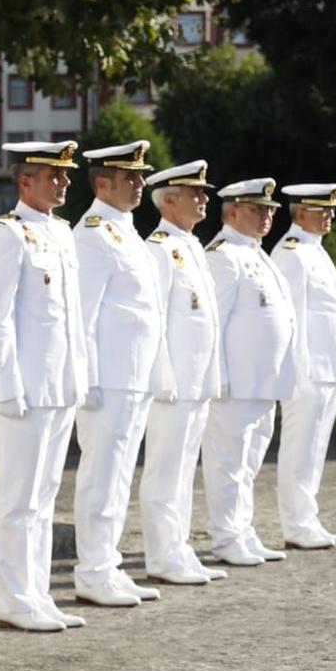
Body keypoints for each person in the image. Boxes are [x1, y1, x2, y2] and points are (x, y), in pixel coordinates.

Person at [0, 141, 89, 633]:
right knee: (17, 498)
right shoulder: (7, 235)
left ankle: (38, 594)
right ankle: (15, 599)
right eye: (52, 175)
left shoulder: (61, 233)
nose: (63, 182)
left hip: (58, 385)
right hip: (22, 389)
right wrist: (7, 386)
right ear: (25, 182)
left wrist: (77, 377)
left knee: (44, 497)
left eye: (64, 175)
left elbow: (70, 320)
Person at [71, 140, 169, 609]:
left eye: (140, 176)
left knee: (119, 478)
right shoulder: (92, 234)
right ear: (101, 183)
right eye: (130, 177)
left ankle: (107, 566)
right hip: (106, 379)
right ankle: (91, 571)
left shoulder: (126, 231)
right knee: (101, 477)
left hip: (131, 376)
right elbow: (83, 314)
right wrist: (86, 379)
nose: (140, 183)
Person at [202, 178, 300, 568]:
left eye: (270, 211)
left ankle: (242, 531)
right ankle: (226, 538)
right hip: (236, 383)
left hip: (262, 380)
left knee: (250, 461)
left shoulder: (257, 254)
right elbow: (216, 322)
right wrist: (219, 377)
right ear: (231, 212)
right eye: (257, 210)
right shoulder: (223, 255)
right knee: (228, 462)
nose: (267, 217)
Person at [137, 161, 227, 586]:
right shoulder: (158, 248)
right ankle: (161, 555)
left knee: (184, 469)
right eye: (196, 193)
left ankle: (180, 547)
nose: (204, 199)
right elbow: (153, 319)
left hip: (196, 381)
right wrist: (163, 376)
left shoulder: (191, 245)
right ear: (169, 199)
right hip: (173, 383)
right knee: (164, 470)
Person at [273, 183, 336, 549]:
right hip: (306, 369)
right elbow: (288, 317)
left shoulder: (315, 250)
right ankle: (296, 524)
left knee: (315, 446)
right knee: (300, 446)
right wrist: (295, 371)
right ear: (299, 212)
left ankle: (307, 518)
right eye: (322, 209)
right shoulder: (291, 253)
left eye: (332, 209)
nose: (331, 215)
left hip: (329, 365)